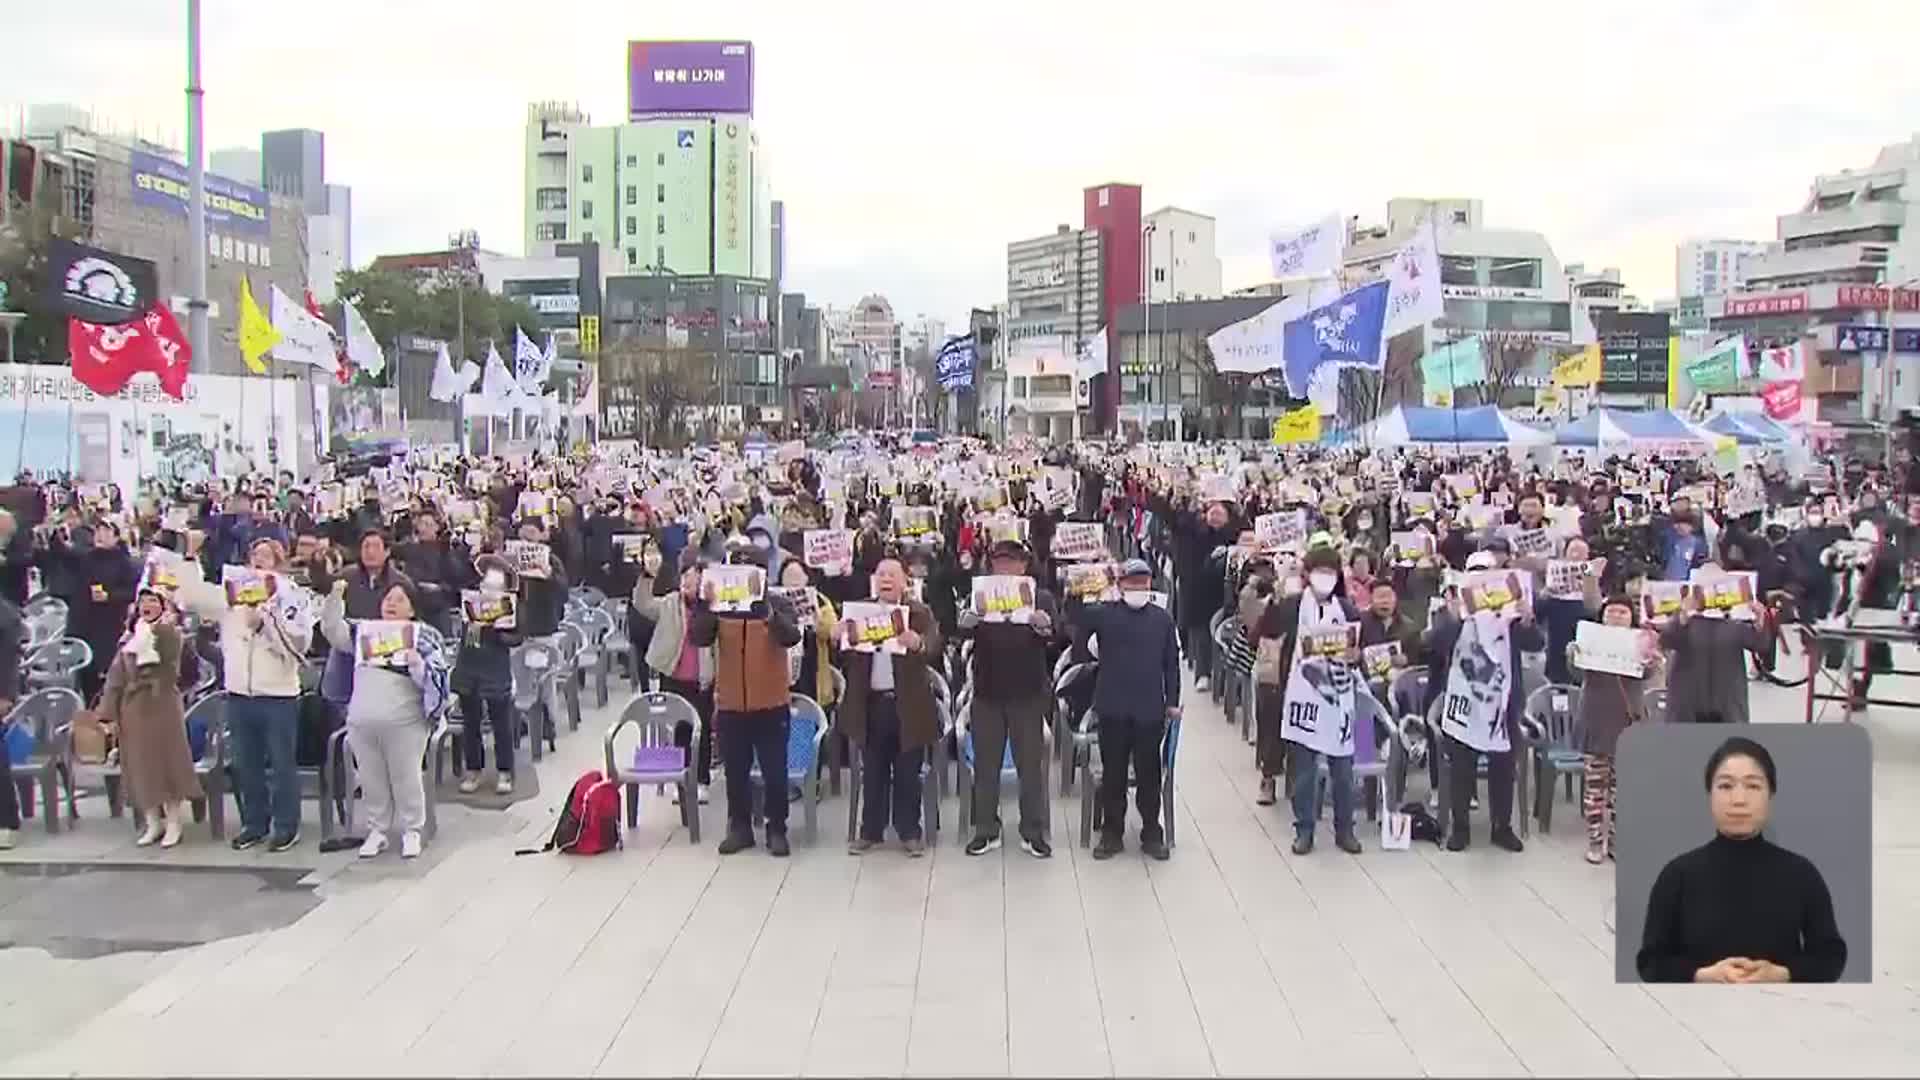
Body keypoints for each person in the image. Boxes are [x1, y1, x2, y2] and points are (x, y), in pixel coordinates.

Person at [1636, 737, 1847, 983]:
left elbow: (1831, 956)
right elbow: (1650, 962)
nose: (1738, 799)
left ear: (1771, 794)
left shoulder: (1801, 874)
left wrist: (1782, 974)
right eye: (1725, 786)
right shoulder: (1677, 875)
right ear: (1709, 794)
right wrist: (1703, 975)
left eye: (1753, 786)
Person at [180, 537, 312, 852]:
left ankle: (285, 826)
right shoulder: (232, 594)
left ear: (278, 562)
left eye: (267, 555)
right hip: (239, 693)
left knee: (281, 764)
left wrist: (266, 621)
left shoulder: (291, 596)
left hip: (278, 695)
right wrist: (189, 558)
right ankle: (254, 823)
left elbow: (300, 645)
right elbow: (194, 596)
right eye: (255, 555)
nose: (259, 560)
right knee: (245, 763)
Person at [690, 535, 805, 857]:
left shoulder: (777, 603)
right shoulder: (721, 606)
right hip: (730, 701)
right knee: (735, 771)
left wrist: (767, 613)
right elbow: (699, 637)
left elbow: (792, 636)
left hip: (770, 702)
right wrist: (704, 604)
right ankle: (739, 827)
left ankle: (777, 828)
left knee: (774, 771)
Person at [1426, 550, 1543, 853]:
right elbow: (1435, 646)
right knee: (1461, 768)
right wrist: (1453, 616)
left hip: (1503, 703)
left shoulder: (1512, 614)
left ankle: (1501, 827)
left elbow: (1536, 643)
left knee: (1503, 767)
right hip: (1463, 701)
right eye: (1475, 573)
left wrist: (1527, 619)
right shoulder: (1451, 610)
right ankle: (1460, 828)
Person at [319, 575, 442, 859]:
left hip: (405, 722)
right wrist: (335, 596)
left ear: (412, 608)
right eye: (388, 599)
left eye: (400, 600)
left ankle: (412, 829)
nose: (392, 604)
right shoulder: (363, 633)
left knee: (406, 777)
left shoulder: (424, 636)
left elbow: (437, 683)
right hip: (362, 720)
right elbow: (332, 630)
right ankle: (378, 830)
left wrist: (418, 666)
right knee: (371, 779)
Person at [953, 537, 1060, 858]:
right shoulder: (980, 596)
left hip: (1028, 693)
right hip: (987, 692)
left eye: (1012, 562)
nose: (1005, 568)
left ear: (1024, 566)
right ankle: (986, 828)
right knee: (986, 766)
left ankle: (1033, 831)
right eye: (999, 562)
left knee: (1030, 766)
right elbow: (961, 632)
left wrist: (1045, 627)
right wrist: (966, 622)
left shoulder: (1040, 597)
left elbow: (1058, 636)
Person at [1260, 545, 1368, 855]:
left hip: (1339, 697)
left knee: (1343, 770)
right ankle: (1304, 829)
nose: (1324, 578)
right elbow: (1264, 633)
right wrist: (1273, 600)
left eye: (1330, 572)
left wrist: (1355, 656)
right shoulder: (1293, 606)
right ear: (1307, 575)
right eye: (1318, 571)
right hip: (1301, 697)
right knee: (1304, 770)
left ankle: (1345, 830)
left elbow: (1361, 652)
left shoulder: (1347, 609)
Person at [1076, 559, 1181, 861]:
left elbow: (1171, 664)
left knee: (1149, 774)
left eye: (1143, 583)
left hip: (1150, 708)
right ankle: (1112, 833)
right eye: (1132, 583)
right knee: (1114, 774)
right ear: (1121, 585)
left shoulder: (1162, 619)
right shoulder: (1105, 615)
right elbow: (1080, 630)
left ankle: (1151, 832)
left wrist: (1173, 701)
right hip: (1112, 706)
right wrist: (1095, 589)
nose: (1138, 588)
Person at [837, 557, 940, 856]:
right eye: (880, 574)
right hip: (870, 704)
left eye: (892, 575)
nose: (885, 579)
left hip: (908, 706)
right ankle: (871, 831)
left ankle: (909, 831)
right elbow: (847, 657)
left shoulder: (918, 612)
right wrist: (839, 636)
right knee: (873, 771)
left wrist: (918, 642)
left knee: (909, 771)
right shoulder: (859, 612)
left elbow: (934, 644)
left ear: (904, 581)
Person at [97, 588, 202, 848]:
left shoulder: (170, 634)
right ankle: (153, 821)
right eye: (143, 601)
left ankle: (175, 821)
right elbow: (115, 678)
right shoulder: (129, 640)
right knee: (140, 765)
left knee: (167, 764)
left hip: (162, 705)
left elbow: (175, 667)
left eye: (153, 601)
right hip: (133, 710)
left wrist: (164, 628)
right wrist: (107, 713)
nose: (147, 605)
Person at [1566, 595, 1659, 864]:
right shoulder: (1589, 640)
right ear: (1603, 615)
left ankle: (1618, 841)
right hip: (1595, 721)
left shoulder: (1642, 643)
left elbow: (1649, 674)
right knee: (1595, 789)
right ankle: (1595, 840)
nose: (1617, 616)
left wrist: (1651, 660)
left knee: (1623, 790)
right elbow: (1574, 672)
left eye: (1622, 612)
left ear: (1631, 617)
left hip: (1629, 723)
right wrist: (1574, 655)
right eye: (1611, 611)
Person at [634, 547, 715, 804]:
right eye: (685, 578)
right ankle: (683, 779)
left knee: (700, 730)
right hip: (673, 673)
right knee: (679, 729)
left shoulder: (713, 607)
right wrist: (647, 576)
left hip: (702, 676)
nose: (688, 583)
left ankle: (702, 780)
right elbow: (643, 604)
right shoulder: (670, 603)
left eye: (693, 577)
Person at [452, 554, 523, 796]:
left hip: (496, 668)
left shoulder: (512, 606)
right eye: (486, 584)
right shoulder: (468, 602)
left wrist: (498, 631)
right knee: (470, 723)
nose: (489, 589)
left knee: (501, 722)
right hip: (469, 666)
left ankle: (505, 770)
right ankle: (473, 769)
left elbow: (517, 637)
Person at [1660, 584, 1770, 724]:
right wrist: (1682, 617)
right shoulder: (1686, 621)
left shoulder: (1734, 624)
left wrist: (1760, 618)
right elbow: (1666, 640)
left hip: (1726, 703)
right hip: (1688, 702)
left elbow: (1761, 644)